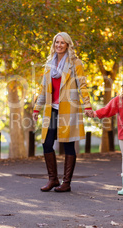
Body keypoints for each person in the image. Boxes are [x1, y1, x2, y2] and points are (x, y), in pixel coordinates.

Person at [33, 32, 93, 193]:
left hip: (69, 109)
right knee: (47, 143)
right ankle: (53, 179)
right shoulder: (48, 65)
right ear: (54, 44)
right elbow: (43, 89)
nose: (59, 45)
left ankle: (66, 182)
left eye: (62, 42)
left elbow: (83, 85)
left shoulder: (75, 63)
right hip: (51, 109)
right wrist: (36, 108)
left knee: (68, 144)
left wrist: (87, 106)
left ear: (67, 45)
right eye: (56, 42)